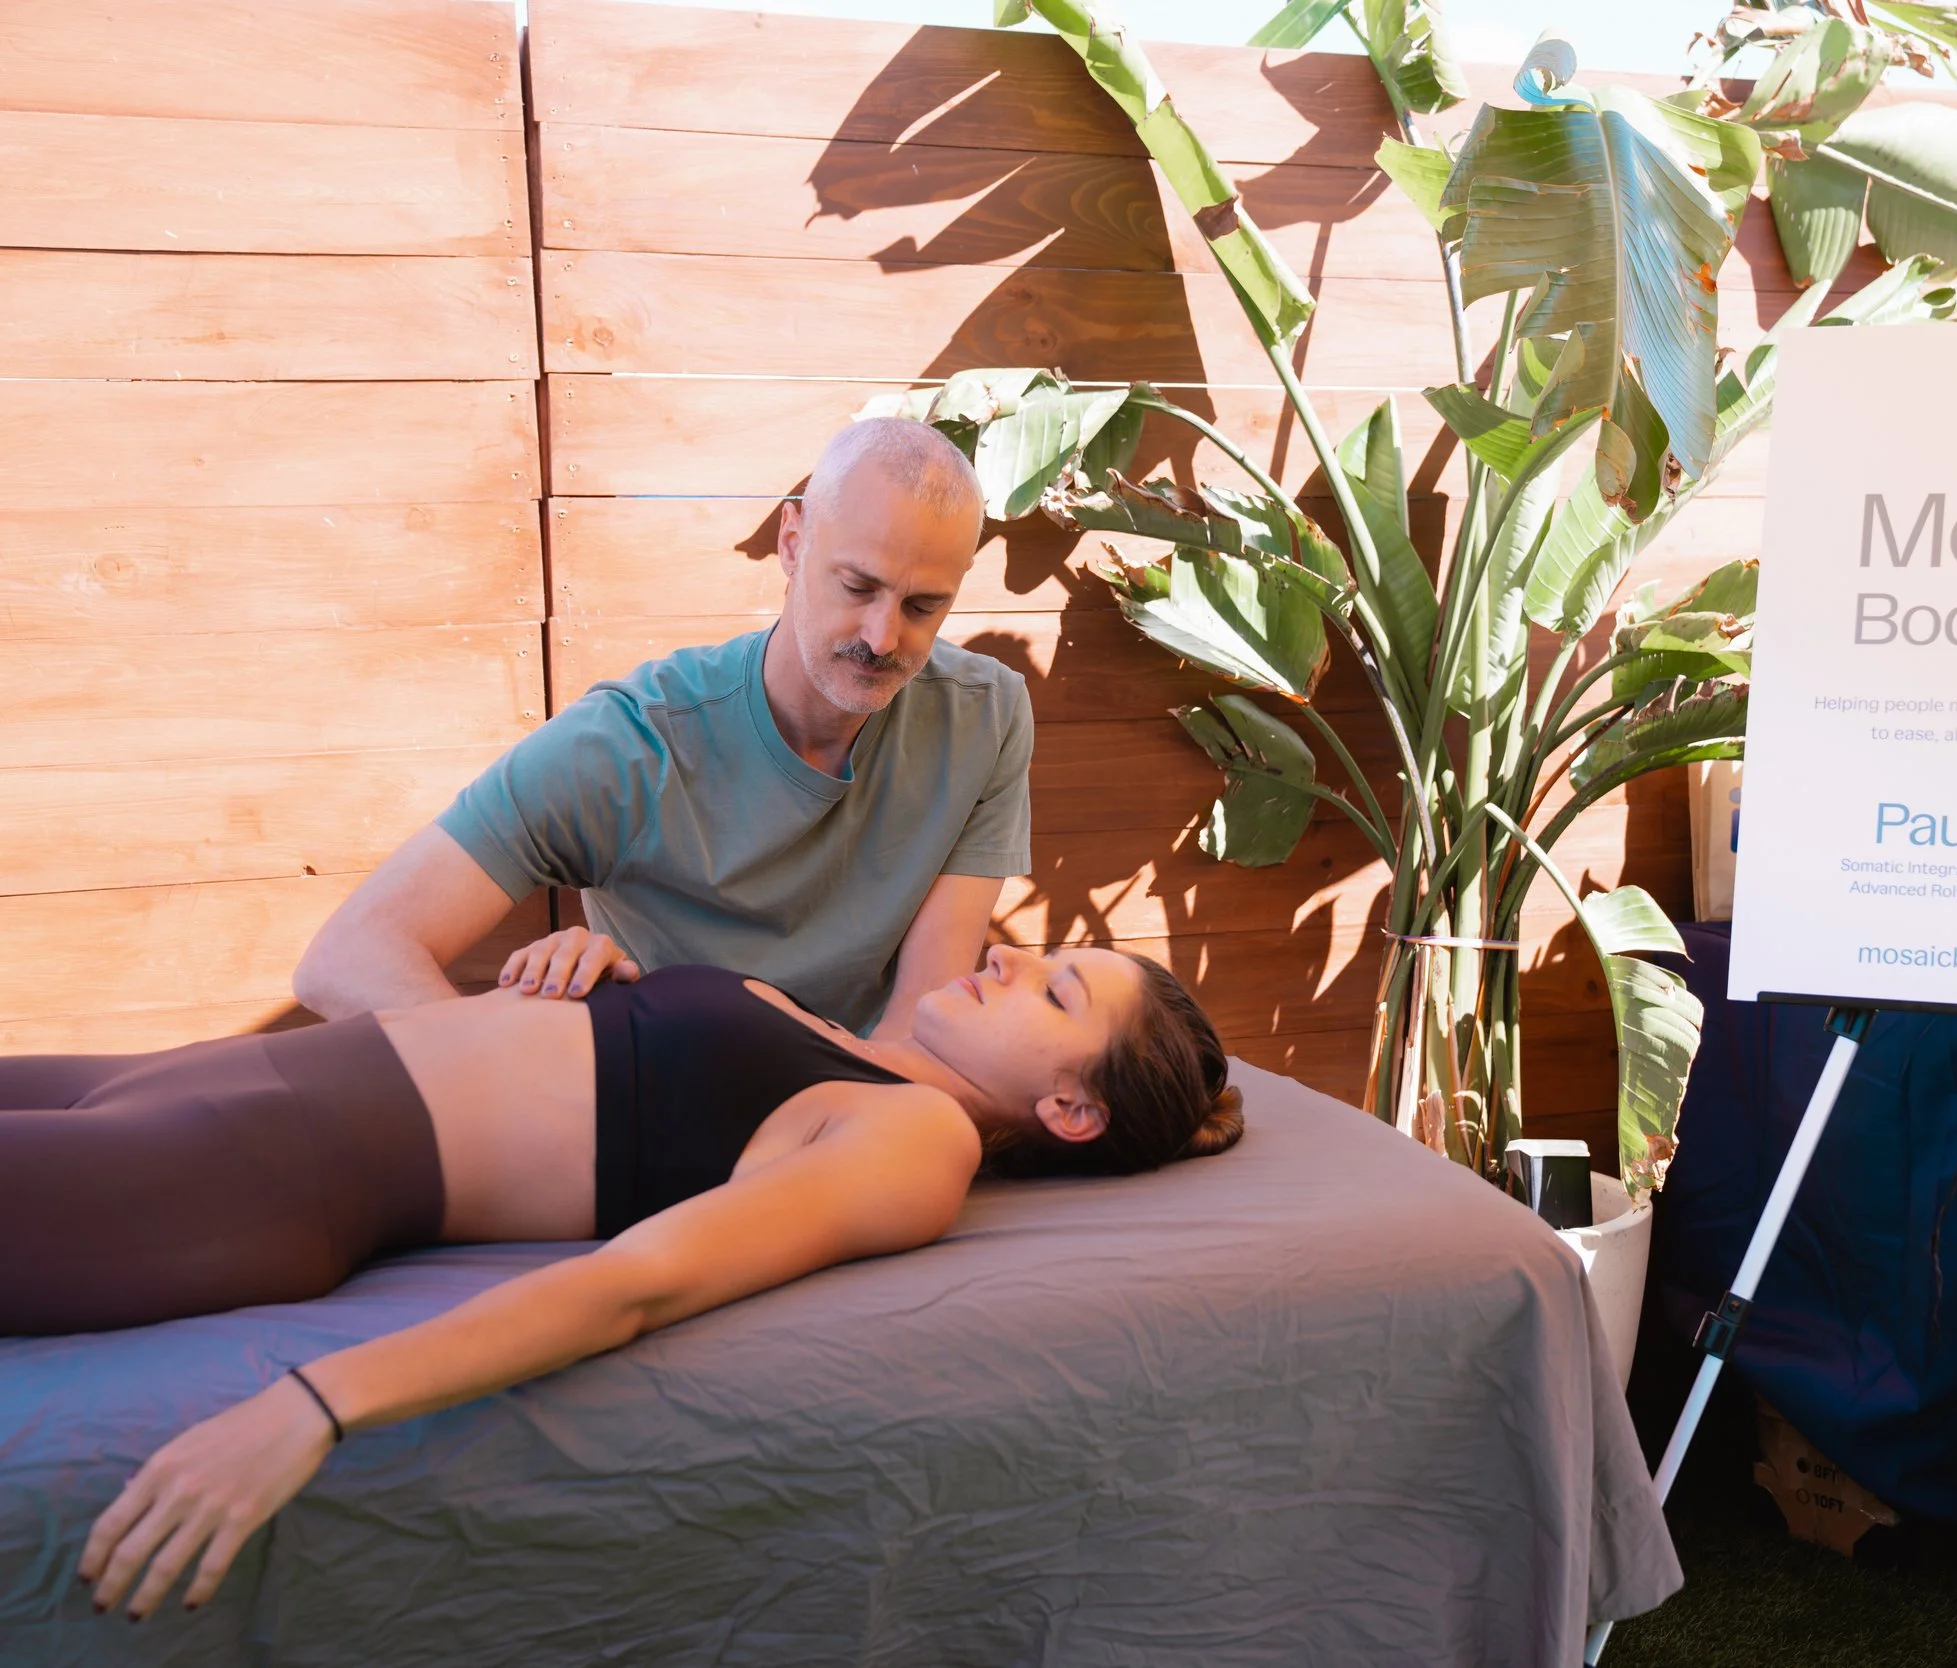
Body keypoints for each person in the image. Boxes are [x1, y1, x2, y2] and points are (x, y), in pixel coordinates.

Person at [6, 935, 1243, 1620]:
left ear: (1070, 1107)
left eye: (1055, 988)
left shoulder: (920, 1140)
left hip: (244, 1172)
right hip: (191, 1080)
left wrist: (312, 1404)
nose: (1013, 955)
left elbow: (637, 1285)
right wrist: (579, 966)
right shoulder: (841, 1042)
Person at [292, 418, 1032, 1037]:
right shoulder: (631, 743)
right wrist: (511, 1082)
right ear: (793, 541)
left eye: (923, 607)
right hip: (665, 1111)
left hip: (858, 1110)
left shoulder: (984, 717)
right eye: (858, 587)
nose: (880, 636)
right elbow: (349, 957)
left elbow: (917, 1028)